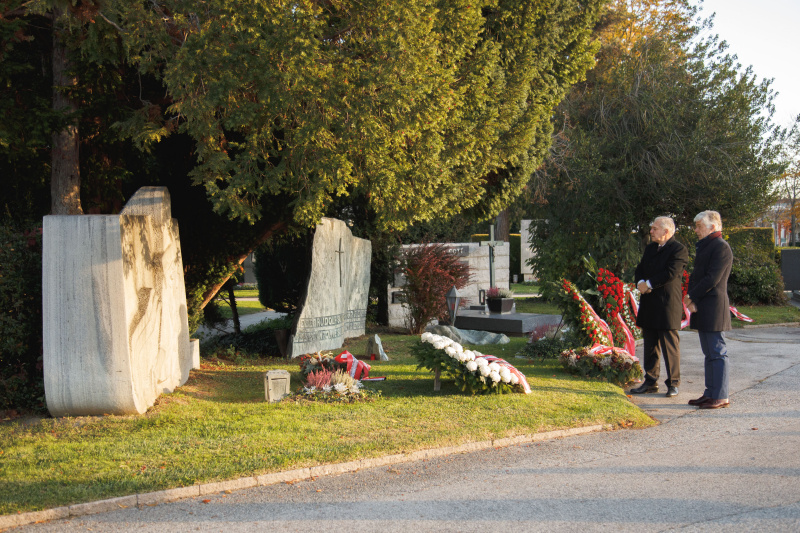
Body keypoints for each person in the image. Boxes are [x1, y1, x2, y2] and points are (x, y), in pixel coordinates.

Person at [629, 216, 688, 397]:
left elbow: (670, 273)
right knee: (650, 344)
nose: (651, 231)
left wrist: (649, 284)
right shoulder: (650, 248)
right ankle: (650, 381)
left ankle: (673, 383)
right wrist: (640, 281)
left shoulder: (678, 249)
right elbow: (640, 267)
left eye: (654, 228)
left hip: (667, 304)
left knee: (670, 345)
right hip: (649, 303)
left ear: (666, 231)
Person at [683, 210, 733, 409]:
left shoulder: (720, 247)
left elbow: (713, 279)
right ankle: (710, 392)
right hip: (705, 304)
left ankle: (720, 395)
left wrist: (691, 295)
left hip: (713, 305)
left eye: (699, 226)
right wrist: (691, 296)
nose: (696, 230)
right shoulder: (708, 245)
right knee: (709, 352)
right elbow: (697, 276)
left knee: (717, 351)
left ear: (712, 227)